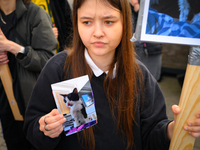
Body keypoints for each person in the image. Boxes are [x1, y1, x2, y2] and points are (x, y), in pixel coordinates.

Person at [24, 0, 200, 150]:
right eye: (86, 22)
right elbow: (33, 127)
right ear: (76, 23)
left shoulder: (140, 76)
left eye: (108, 22)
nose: (98, 32)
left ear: (125, 23)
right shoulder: (58, 68)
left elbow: (152, 134)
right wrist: (46, 128)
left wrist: (174, 129)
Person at [0, 0, 57, 149]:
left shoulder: (36, 14)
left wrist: (12, 47)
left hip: (32, 100)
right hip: (6, 101)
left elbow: (48, 60)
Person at [130, 0, 163, 82]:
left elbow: (158, 26)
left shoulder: (154, 7)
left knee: (151, 81)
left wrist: (140, 12)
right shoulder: (126, 10)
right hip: (132, 50)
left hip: (151, 51)